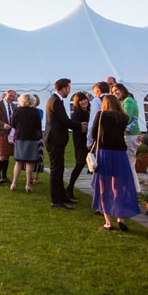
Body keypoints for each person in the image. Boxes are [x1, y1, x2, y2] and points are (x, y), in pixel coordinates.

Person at [91, 95, 141, 231]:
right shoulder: (123, 117)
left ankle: (108, 221)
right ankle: (120, 218)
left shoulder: (101, 115)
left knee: (103, 186)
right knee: (118, 185)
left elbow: (94, 133)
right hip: (119, 153)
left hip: (105, 153)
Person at [44, 78, 87, 210]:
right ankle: (56, 200)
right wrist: (80, 126)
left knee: (60, 168)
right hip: (54, 139)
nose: (69, 90)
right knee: (56, 169)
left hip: (57, 139)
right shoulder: (55, 101)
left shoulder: (55, 100)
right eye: (69, 88)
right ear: (64, 88)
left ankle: (62, 195)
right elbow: (64, 120)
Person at [113, 82, 141, 193]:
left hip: (130, 135)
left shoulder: (128, 101)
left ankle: (133, 189)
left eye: (116, 90)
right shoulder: (126, 101)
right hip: (130, 135)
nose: (115, 93)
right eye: (113, 92)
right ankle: (133, 189)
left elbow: (126, 118)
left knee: (129, 165)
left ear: (122, 89)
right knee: (129, 164)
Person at [11, 93, 43, 192]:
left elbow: (13, 124)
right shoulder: (35, 112)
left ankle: (14, 183)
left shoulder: (17, 110)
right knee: (29, 163)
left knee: (18, 162)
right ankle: (28, 185)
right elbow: (38, 126)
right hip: (32, 138)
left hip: (20, 137)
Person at [66, 91, 91, 200]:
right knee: (79, 165)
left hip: (90, 142)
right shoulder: (77, 114)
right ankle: (69, 188)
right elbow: (76, 129)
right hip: (82, 143)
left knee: (92, 166)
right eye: (80, 100)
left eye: (84, 99)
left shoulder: (90, 111)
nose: (84, 101)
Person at [0, 90, 17, 185]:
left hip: (10, 133)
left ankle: (4, 176)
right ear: (5, 95)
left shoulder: (14, 106)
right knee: (1, 155)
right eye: (10, 96)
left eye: (14, 96)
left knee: (7, 155)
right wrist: (3, 125)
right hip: (0, 132)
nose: (12, 98)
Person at [86, 81, 110, 151]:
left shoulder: (97, 101)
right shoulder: (115, 99)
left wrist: (89, 141)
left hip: (102, 135)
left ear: (98, 91)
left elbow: (93, 122)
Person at [31, 95, 45, 185]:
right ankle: (31, 176)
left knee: (39, 157)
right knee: (29, 157)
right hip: (29, 136)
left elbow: (38, 121)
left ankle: (36, 176)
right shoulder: (27, 111)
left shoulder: (39, 111)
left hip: (38, 135)